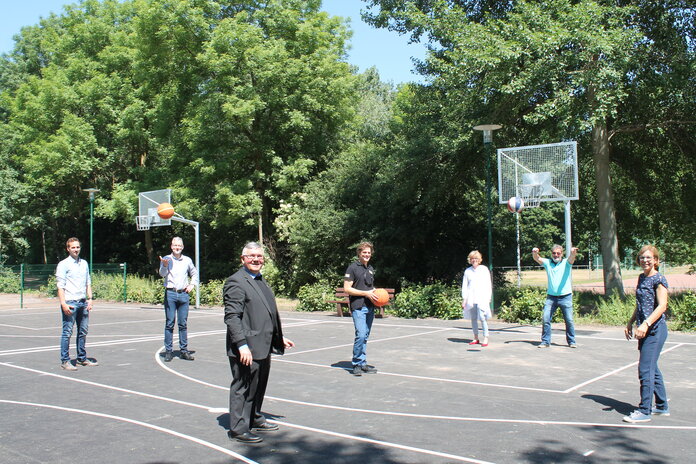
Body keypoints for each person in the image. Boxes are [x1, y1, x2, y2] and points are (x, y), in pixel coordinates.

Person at [224, 242, 295, 443]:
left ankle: (254, 417)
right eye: (251, 256)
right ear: (242, 259)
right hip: (246, 347)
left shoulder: (259, 280)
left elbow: (265, 313)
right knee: (243, 386)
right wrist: (241, 345)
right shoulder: (236, 282)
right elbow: (232, 317)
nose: (256, 259)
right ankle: (238, 428)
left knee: (258, 385)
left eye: (259, 256)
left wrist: (278, 337)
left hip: (263, 345)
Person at [622, 245, 670, 423]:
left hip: (655, 330)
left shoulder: (659, 279)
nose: (645, 260)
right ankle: (662, 406)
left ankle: (644, 411)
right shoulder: (642, 278)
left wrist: (646, 324)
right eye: (642, 257)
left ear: (656, 260)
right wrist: (630, 321)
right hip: (643, 329)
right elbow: (640, 303)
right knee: (652, 368)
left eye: (649, 258)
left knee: (645, 369)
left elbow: (662, 306)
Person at [56, 237, 97, 371]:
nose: (76, 249)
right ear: (68, 249)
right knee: (67, 332)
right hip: (70, 302)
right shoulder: (63, 264)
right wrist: (63, 304)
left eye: (77, 247)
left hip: (82, 302)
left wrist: (90, 299)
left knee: (83, 332)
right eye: (73, 247)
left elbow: (88, 282)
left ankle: (81, 358)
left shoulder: (84, 263)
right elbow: (60, 286)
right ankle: (65, 360)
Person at [159, 237, 198, 362]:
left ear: (182, 247)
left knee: (183, 324)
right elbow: (162, 274)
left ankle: (184, 351)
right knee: (170, 323)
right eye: (175, 245)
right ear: (171, 246)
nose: (177, 247)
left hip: (183, 294)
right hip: (171, 293)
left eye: (179, 245)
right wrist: (164, 266)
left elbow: (194, 273)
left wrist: (192, 284)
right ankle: (169, 351)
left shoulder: (187, 260)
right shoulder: (166, 259)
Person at [344, 241, 380, 377]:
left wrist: (376, 292)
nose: (366, 255)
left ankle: (363, 363)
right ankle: (356, 364)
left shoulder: (370, 268)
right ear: (359, 253)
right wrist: (366, 293)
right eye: (364, 252)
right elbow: (347, 289)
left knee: (365, 336)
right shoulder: (352, 268)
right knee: (360, 334)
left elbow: (369, 288)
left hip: (369, 307)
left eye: (369, 253)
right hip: (358, 306)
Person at [532, 244, 578, 348]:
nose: (556, 255)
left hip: (566, 296)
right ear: (551, 254)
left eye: (558, 253)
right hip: (551, 297)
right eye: (554, 253)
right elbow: (537, 258)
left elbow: (572, 258)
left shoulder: (566, 262)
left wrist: (573, 253)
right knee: (545, 318)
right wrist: (534, 252)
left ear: (562, 254)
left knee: (569, 320)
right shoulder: (548, 263)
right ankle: (545, 342)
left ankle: (571, 341)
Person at [461, 250, 493, 347]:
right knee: (473, 318)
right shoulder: (467, 271)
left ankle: (486, 338)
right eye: (472, 259)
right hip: (471, 298)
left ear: (479, 260)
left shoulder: (484, 269)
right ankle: (476, 338)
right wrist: (464, 299)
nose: (474, 260)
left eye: (476, 258)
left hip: (482, 297)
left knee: (482, 317)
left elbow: (488, 284)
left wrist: (489, 297)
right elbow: (465, 286)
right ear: (470, 260)